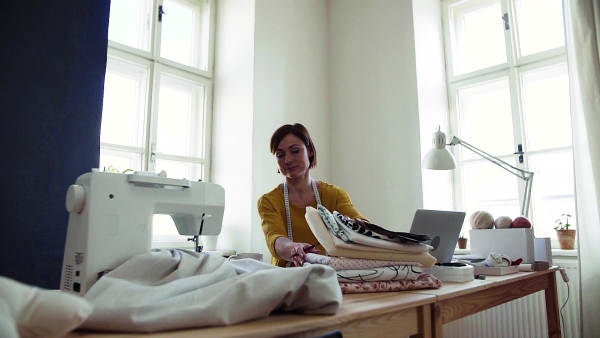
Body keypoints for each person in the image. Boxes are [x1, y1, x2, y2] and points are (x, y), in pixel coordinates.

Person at [257, 123, 367, 267]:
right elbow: (275, 239)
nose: (288, 160)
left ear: (309, 151)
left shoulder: (335, 195)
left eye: (295, 151)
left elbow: (362, 225)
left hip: (329, 279)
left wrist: (354, 226)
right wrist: (292, 248)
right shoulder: (269, 201)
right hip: (286, 280)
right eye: (280, 155)